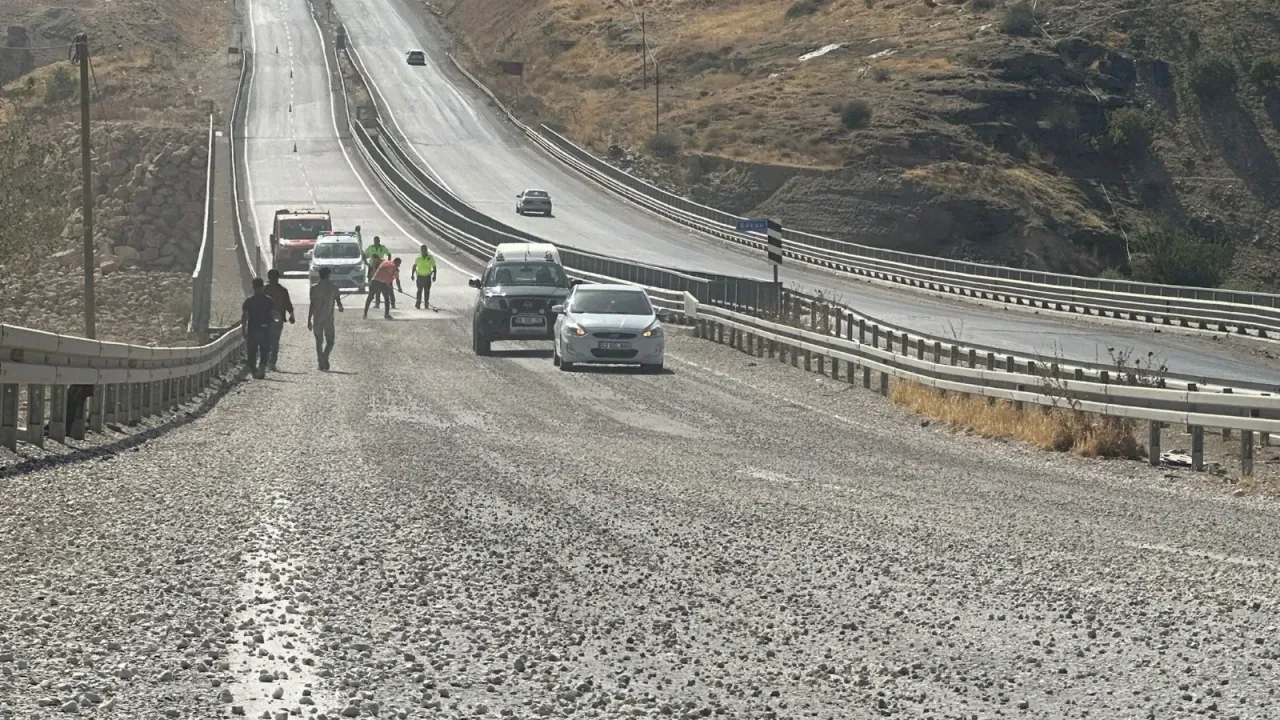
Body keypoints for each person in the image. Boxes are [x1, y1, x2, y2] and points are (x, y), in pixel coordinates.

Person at [308, 266, 344, 371]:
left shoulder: (313, 288)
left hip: (317, 319)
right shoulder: (334, 287)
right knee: (330, 341)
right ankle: (324, 358)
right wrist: (340, 307)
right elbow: (338, 300)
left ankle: (321, 362)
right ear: (328, 275)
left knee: (319, 342)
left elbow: (312, 304)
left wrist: (309, 319)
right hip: (328, 319)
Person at [241, 278, 275, 379]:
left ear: (253, 287)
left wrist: (244, 328)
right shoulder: (269, 300)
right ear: (263, 287)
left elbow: (245, 316)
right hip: (265, 329)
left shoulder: (249, 301)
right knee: (265, 350)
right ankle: (261, 368)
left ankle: (254, 371)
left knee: (252, 351)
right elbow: (272, 314)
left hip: (253, 329)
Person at [264, 269, 295, 372]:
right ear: (278, 278)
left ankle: (266, 361)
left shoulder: (264, 289)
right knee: (275, 341)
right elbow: (288, 304)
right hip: (278, 318)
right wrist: (291, 315)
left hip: (265, 318)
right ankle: (272, 362)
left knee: (266, 340)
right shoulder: (283, 290)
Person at [364, 236, 391, 308]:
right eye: (375, 241)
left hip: (380, 267)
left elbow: (389, 254)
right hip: (372, 266)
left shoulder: (382, 248)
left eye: (377, 241)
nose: (376, 242)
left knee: (379, 284)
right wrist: (366, 263)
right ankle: (372, 297)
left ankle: (377, 302)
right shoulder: (370, 248)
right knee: (371, 283)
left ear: (379, 241)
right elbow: (364, 255)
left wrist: (388, 262)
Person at [411, 244, 438, 309]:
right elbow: (414, 266)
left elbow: (434, 267)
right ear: (421, 250)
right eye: (422, 250)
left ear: (426, 250)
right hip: (420, 276)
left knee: (427, 291)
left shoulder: (430, 258)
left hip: (427, 277)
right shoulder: (418, 258)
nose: (424, 251)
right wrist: (412, 275)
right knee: (419, 290)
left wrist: (434, 275)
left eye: (425, 250)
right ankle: (418, 303)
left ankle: (426, 303)